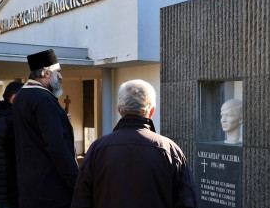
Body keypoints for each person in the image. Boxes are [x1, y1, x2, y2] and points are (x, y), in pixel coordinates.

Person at [71, 79, 198, 208]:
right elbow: (187, 202)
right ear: (152, 111)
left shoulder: (98, 148)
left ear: (119, 110)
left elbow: (81, 199)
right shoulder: (170, 151)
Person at [13, 49, 79, 208]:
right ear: (45, 73)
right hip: (50, 188)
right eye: (58, 72)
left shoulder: (22, 95)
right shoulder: (43, 98)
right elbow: (56, 145)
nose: (61, 77)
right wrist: (76, 180)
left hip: (30, 184)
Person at [0, 81, 24, 208]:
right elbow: (19, 148)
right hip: (9, 181)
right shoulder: (9, 119)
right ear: (14, 97)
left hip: (1, 180)